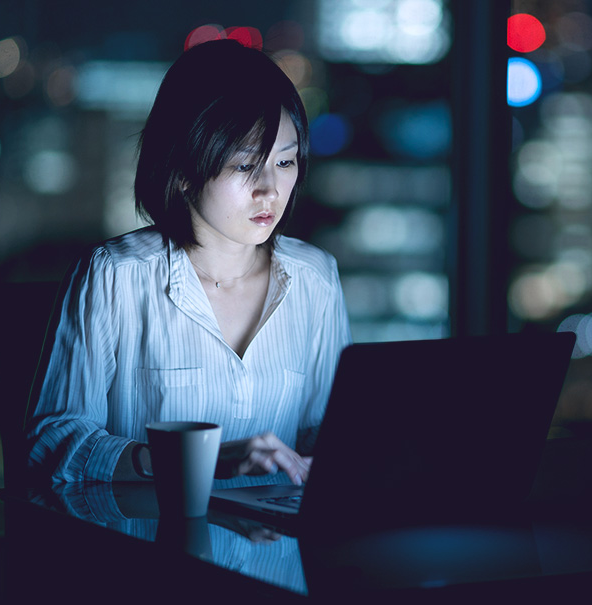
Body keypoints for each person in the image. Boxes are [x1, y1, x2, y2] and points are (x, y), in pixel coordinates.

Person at [25, 39, 351, 486]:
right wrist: (197, 460)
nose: (270, 189)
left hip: (278, 550)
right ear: (182, 170)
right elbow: (53, 444)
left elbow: (327, 436)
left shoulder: (316, 278)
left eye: (286, 161)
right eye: (244, 166)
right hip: (152, 547)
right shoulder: (114, 277)